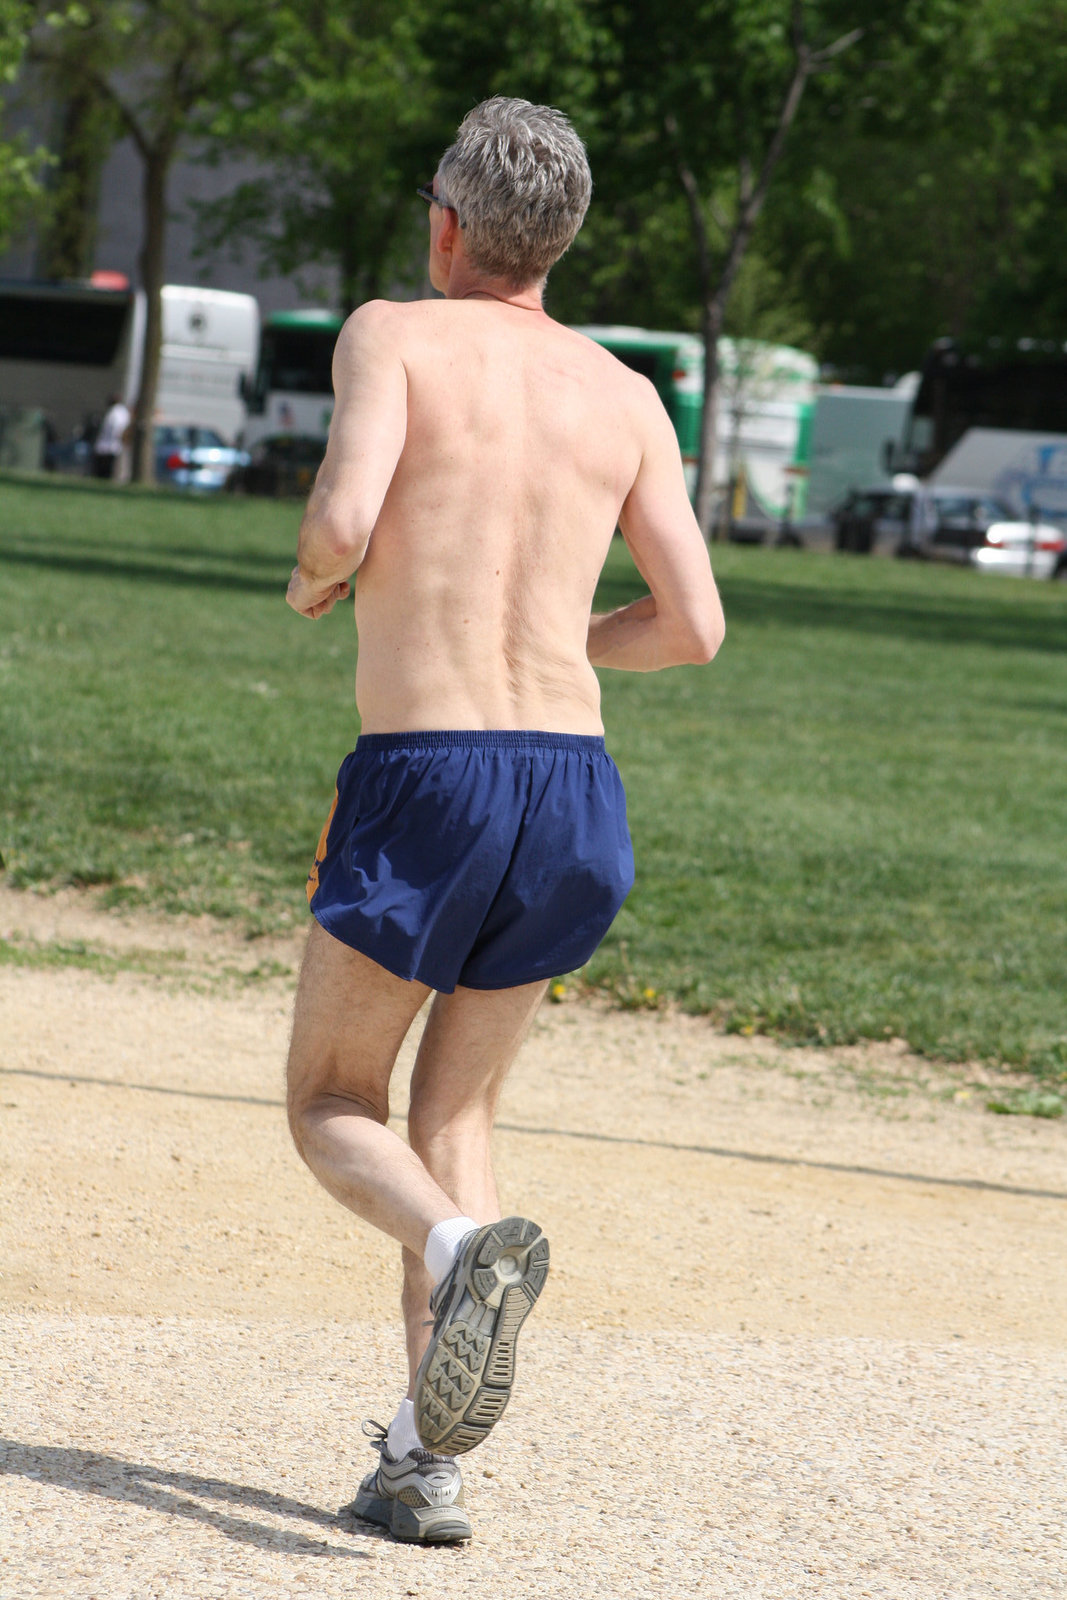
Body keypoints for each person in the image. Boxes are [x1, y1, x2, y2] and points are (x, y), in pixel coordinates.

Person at [284, 96, 724, 1546]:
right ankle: (424, 1462)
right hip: (574, 789)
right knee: (456, 1110)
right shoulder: (625, 393)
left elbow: (346, 519)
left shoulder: (392, 332)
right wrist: (560, 641)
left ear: (445, 223)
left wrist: (312, 584)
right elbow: (693, 626)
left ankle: (458, 1245)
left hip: (430, 777)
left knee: (333, 1104)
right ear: (564, 239)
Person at [91, 393, 130, 480]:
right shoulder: (122, 412)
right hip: (111, 444)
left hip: (110, 445)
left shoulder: (116, 412)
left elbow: (116, 429)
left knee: (106, 468)